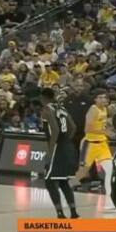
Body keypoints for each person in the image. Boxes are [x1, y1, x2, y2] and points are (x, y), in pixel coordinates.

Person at [40, 88, 79, 218]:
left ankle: (60, 213)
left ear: (43, 97)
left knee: (49, 181)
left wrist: (51, 150)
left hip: (57, 147)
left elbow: (55, 130)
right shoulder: (62, 108)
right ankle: (73, 212)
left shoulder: (47, 109)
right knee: (63, 181)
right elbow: (73, 127)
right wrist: (66, 140)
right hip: (67, 146)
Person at [75, 90, 114, 210]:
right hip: (90, 144)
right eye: (100, 97)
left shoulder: (105, 110)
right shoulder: (93, 109)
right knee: (81, 174)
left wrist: (109, 129)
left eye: (105, 98)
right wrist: (106, 132)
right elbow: (87, 129)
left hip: (102, 144)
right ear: (95, 100)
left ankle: (110, 201)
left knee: (110, 171)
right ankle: (63, 190)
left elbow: (102, 125)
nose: (103, 100)